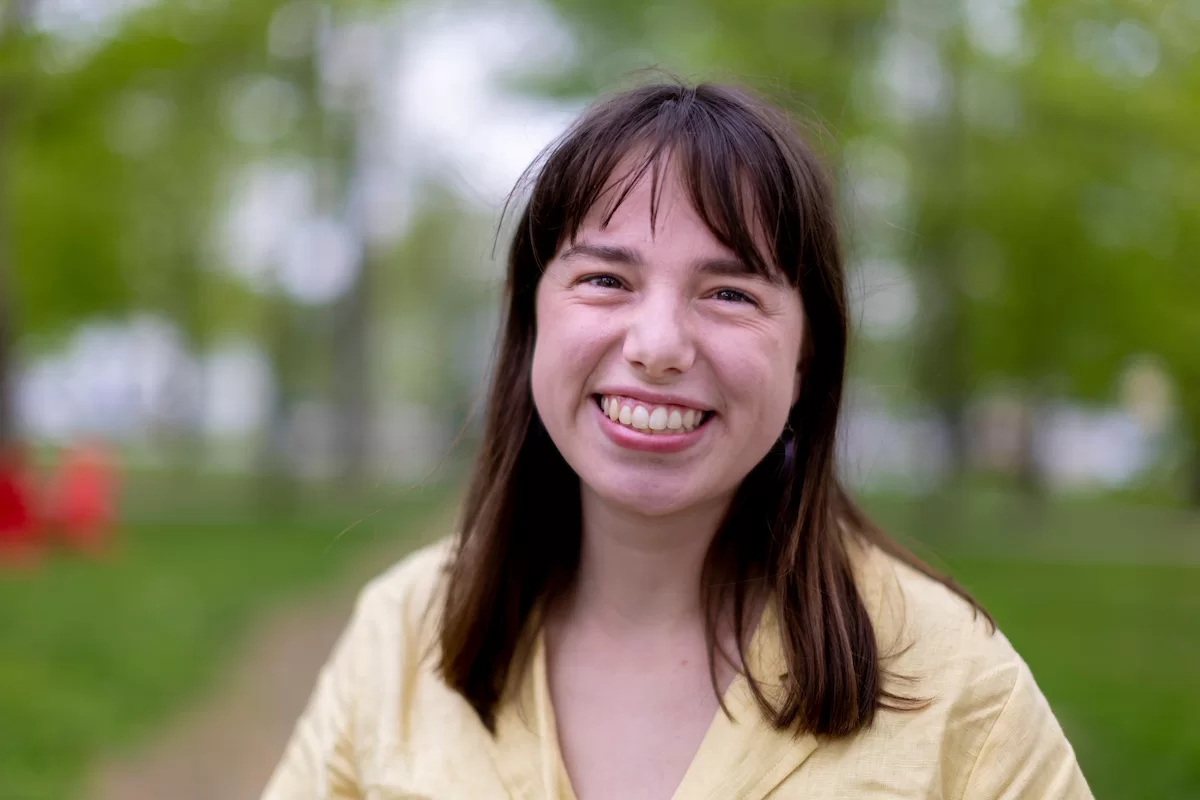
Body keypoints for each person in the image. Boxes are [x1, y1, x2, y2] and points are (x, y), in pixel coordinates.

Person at [263, 81, 1093, 799]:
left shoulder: (955, 682)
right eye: (605, 279)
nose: (658, 345)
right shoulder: (401, 632)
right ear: (531, 324)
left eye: (729, 292)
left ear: (806, 358)